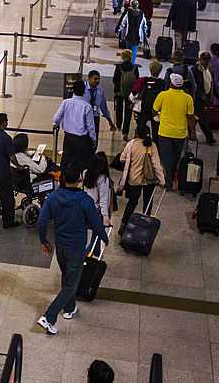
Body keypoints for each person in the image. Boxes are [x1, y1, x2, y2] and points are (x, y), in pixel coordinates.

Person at [36, 166, 109, 335]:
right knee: (70, 284)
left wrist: (43, 241)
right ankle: (49, 316)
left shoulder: (53, 197)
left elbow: (42, 221)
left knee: (67, 277)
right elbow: (96, 223)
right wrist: (104, 237)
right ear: (79, 181)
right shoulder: (85, 201)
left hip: (60, 248)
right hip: (76, 249)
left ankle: (69, 308)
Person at [115, 125, 165, 230]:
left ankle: (123, 225)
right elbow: (156, 165)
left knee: (132, 202)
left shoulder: (131, 144)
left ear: (137, 133)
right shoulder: (152, 146)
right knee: (147, 202)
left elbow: (122, 159)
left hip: (134, 180)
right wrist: (162, 181)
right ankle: (144, 226)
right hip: (149, 179)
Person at [152, 72, 194, 189]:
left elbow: (154, 110)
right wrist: (193, 133)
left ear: (171, 83)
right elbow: (190, 117)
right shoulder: (188, 98)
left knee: (165, 157)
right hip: (180, 134)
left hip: (165, 132)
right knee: (175, 157)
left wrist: (159, 115)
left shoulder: (163, 95)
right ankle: (171, 177)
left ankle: (168, 181)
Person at [53, 80, 97, 171]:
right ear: (84, 91)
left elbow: (56, 119)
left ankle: (63, 180)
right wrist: (93, 139)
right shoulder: (87, 106)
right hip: (81, 139)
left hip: (68, 137)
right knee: (79, 163)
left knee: (66, 161)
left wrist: (56, 124)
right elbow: (91, 126)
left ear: (73, 90)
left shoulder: (66, 102)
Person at [191, 52, 218, 145]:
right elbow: (195, 85)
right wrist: (201, 95)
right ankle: (208, 137)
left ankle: (191, 134)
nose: (206, 62)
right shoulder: (194, 70)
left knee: (198, 117)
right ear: (200, 59)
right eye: (204, 60)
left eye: (208, 60)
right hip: (198, 98)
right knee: (200, 117)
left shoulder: (209, 69)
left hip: (205, 97)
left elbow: (211, 82)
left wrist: (215, 95)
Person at [112, 50, 139, 135]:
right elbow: (137, 80)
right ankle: (125, 131)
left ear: (122, 57)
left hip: (119, 92)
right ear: (131, 57)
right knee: (128, 112)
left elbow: (115, 80)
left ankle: (119, 125)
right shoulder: (135, 68)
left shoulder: (119, 67)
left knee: (119, 108)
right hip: (130, 94)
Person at [83, 153, 113, 229]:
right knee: (96, 233)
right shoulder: (103, 179)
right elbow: (104, 199)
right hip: (95, 210)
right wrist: (105, 216)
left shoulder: (85, 173)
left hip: (84, 207)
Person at [85, 71, 116, 140]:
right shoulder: (82, 89)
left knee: (94, 139)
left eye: (99, 79)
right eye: (95, 79)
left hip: (95, 117)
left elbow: (104, 107)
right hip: (84, 117)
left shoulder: (100, 90)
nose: (97, 81)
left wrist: (110, 121)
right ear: (89, 79)